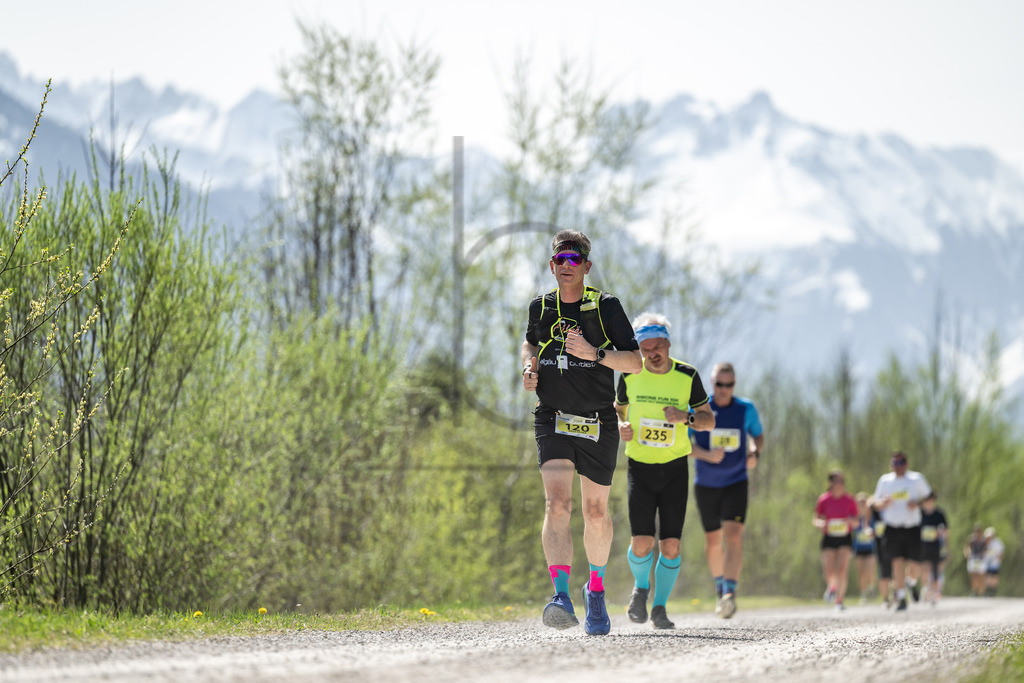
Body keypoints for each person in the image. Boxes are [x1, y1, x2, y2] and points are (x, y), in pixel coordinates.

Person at [522, 229, 642, 635]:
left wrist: (595, 354)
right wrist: (529, 366)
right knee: (557, 506)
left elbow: (636, 362)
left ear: (587, 266)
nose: (566, 266)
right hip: (552, 416)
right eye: (560, 260)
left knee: (594, 511)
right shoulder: (541, 306)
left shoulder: (605, 307)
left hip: (597, 421)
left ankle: (595, 590)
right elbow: (529, 344)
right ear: (552, 265)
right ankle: (560, 595)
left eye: (574, 260)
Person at [614, 313, 715, 630]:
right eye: (644, 349)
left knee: (670, 545)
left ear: (668, 343)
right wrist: (622, 426)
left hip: (674, 469)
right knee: (642, 541)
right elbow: (619, 409)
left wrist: (685, 418)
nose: (651, 354)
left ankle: (659, 608)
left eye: (657, 346)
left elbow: (708, 420)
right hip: (640, 467)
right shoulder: (630, 374)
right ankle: (640, 588)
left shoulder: (687, 375)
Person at [689, 362, 765, 618]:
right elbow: (683, 443)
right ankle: (719, 586)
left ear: (734, 384)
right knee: (713, 539)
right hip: (706, 483)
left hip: (736, 481)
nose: (723, 389)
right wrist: (707, 455)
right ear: (712, 383)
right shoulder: (699, 408)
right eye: (719, 384)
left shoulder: (746, 408)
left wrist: (755, 452)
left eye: (728, 384)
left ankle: (730, 593)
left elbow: (758, 435)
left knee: (733, 535)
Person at [872, 451, 931, 611]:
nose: (899, 466)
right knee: (896, 562)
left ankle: (910, 582)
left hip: (912, 527)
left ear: (907, 463)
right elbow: (874, 503)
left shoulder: (916, 479)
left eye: (902, 462)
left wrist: (917, 503)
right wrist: (882, 503)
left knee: (915, 565)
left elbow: (930, 497)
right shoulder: (885, 481)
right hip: (892, 528)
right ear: (891, 465)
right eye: (895, 463)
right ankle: (901, 596)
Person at [813, 471, 858, 611]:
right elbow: (816, 518)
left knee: (842, 568)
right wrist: (820, 524)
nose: (839, 484)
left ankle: (839, 600)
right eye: (836, 481)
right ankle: (832, 586)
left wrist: (850, 521)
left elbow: (857, 522)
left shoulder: (850, 500)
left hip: (845, 537)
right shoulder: (823, 500)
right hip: (829, 537)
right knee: (828, 570)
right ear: (830, 483)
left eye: (841, 481)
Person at [918, 491, 948, 605]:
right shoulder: (919, 513)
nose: (928, 502)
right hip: (922, 546)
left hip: (936, 546)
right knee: (924, 569)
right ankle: (926, 589)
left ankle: (934, 593)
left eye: (931, 500)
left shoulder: (939, 514)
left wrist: (944, 542)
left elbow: (946, 531)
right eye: (926, 500)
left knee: (935, 571)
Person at [851, 491, 877, 604]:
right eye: (859, 503)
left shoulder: (872, 518)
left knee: (870, 571)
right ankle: (863, 594)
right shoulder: (854, 518)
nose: (861, 505)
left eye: (863, 503)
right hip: (858, 549)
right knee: (861, 573)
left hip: (871, 549)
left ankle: (871, 586)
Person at [869, 495, 894, 608]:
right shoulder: (873, 507)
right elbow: (866, 522)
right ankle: (885, 598)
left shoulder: (895, 505)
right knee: (883, 570)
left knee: (894, 568)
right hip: (879, 542)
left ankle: (897, 594)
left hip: (894, 541)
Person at [964, 525, 988, 597]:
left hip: (981, 560)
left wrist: (985, 554)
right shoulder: (971, 539)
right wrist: (967, 554)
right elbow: (967, 547)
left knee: (981, 577)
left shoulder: (984, 540)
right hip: (973, 559)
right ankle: (974, 592)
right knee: (974, 576)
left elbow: (986, 549)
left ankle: (982, 592)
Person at [983, 527, 1004, 597]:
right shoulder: (984, 542)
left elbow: (1001, 553)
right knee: (987, 577)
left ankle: (993, 591)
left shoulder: (997, 543)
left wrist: (999, 560)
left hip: (995, 563)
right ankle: (988, 591)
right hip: (986, 563)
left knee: (994, 577)